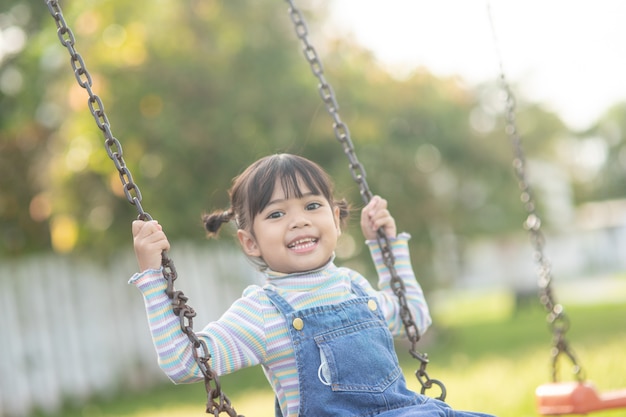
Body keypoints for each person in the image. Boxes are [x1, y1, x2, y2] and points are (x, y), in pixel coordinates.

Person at [130, 153, 496, 417]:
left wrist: (387, 248)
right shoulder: (262, 310)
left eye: (311, 206)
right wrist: (151, 277)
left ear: (336, 219)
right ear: (250, 242)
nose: (298, 221)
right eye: (276, 214)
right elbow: (184, 363)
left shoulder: (354, 286)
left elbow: (413, 318)